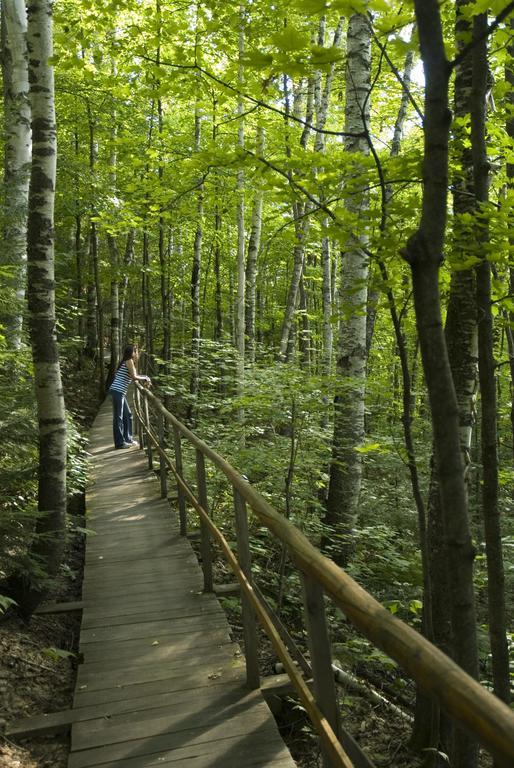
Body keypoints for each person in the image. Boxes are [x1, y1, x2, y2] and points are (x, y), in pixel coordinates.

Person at [109, 344, 151, 449]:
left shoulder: (129, 362)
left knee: (128, 414)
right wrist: (146, 377)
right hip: (117, 391)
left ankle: (128, 439)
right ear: (132, 353)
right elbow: (134, 377)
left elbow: (134, 377)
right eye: (136, 351)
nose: (137, 353)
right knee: (118, 417)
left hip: (120, 392)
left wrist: (144, 379)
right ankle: (119, 443)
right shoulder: (129, 361)